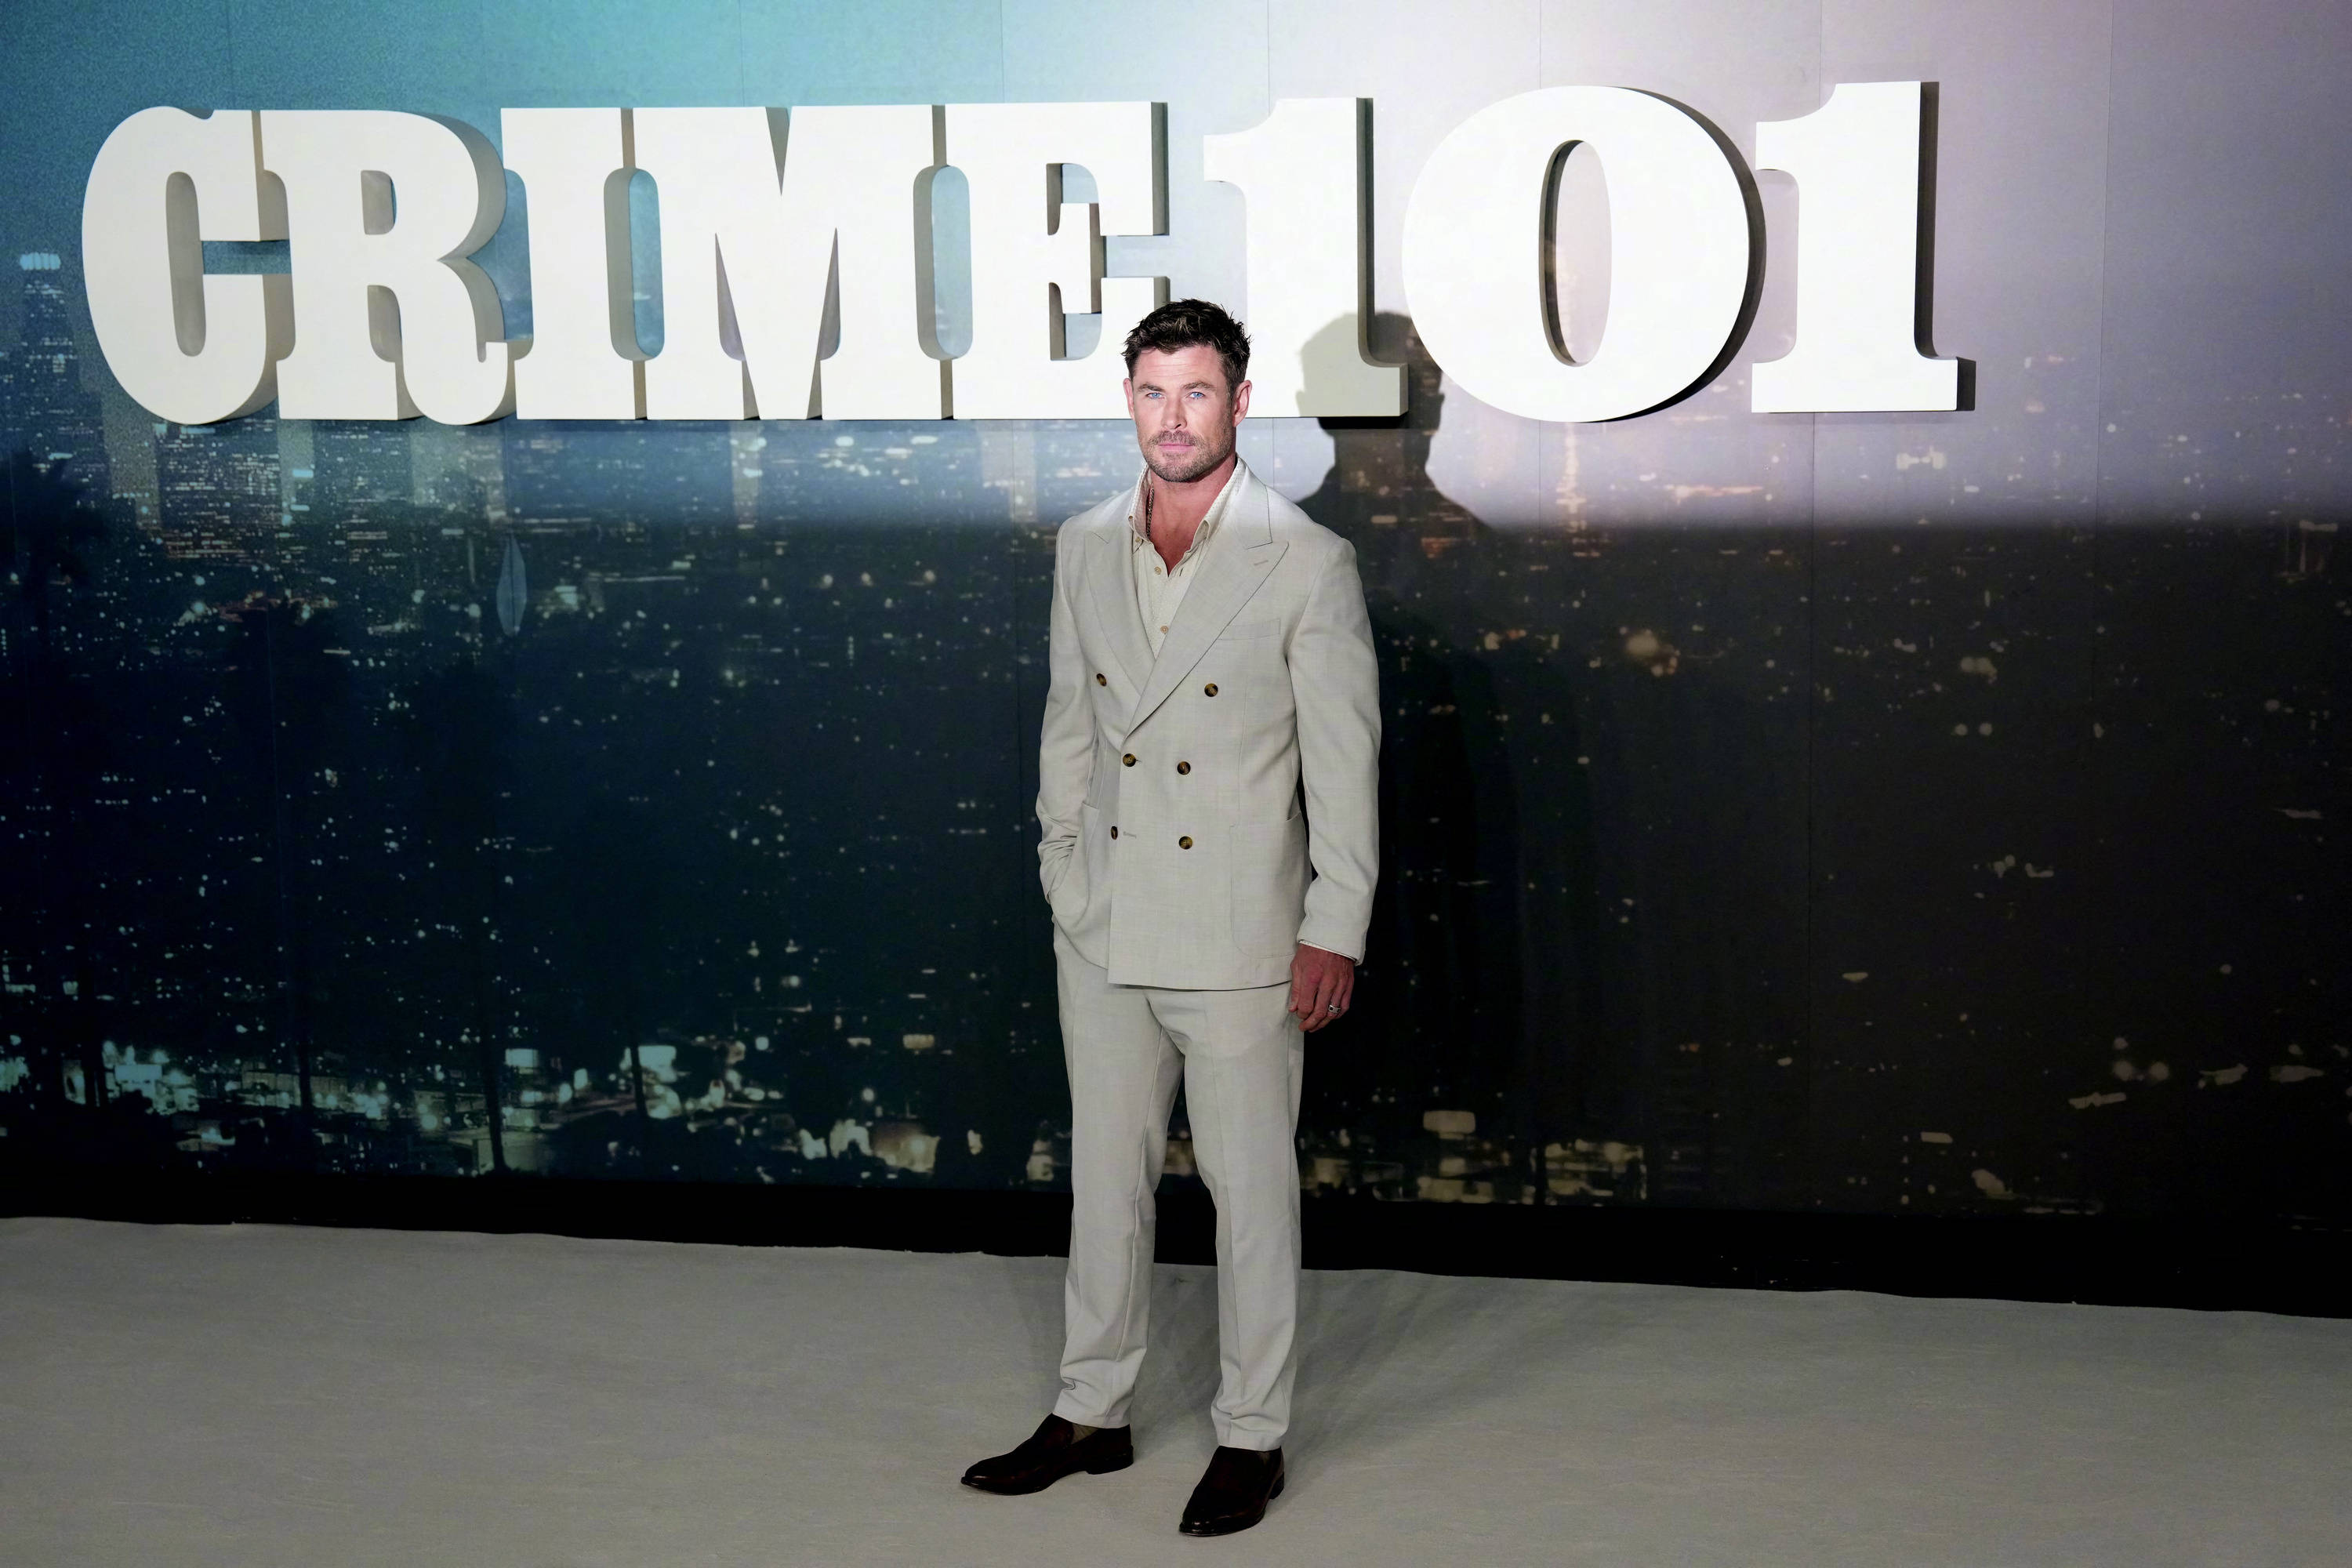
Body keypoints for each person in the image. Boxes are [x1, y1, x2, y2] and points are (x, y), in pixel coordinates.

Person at [960, 299, 1381, 1535]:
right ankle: (1091, 1409)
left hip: (1242, 932)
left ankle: (1253, 1435)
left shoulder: (1305, 559)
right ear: (1129, 402)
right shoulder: (1086, 542)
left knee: (1251, 1200)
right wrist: (1062, 867)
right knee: (1106, 1184)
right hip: (1106, 917)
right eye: (1153, 392)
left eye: (1197, 392)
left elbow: (1343, 764)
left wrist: (1334, 925)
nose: (1173, 416)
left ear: (1239, 402)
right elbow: (1070, 723)